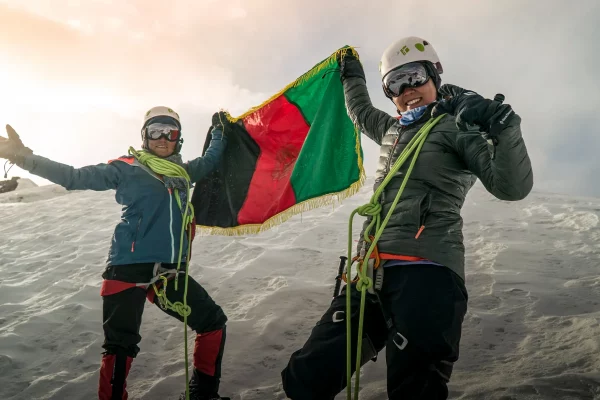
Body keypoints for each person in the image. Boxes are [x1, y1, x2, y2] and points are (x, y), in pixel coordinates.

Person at [281, 36, 534, 399]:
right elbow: (358, 109)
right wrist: (351, 72)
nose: (407, 90)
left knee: (415, 391)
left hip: (428, 273)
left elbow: (511, 187)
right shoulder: (392, 130)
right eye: (394, 84)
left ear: (434, 75)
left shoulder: (458, 127)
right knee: (305, 379)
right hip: (370, 273)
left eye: (414, 77)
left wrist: (504, 127)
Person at [0, 107, 232, 400]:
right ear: (145, 136)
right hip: (127, 268)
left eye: (170, 132)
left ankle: (203, 395)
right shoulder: (126, 167)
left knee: (213, 323)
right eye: (155, 131)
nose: (162, 138)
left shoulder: (184, 173)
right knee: (120, 348)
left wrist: (221, 131)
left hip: (170, 272)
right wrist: (22, 156)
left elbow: (211, 160)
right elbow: (73, 177)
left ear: (179, 139)